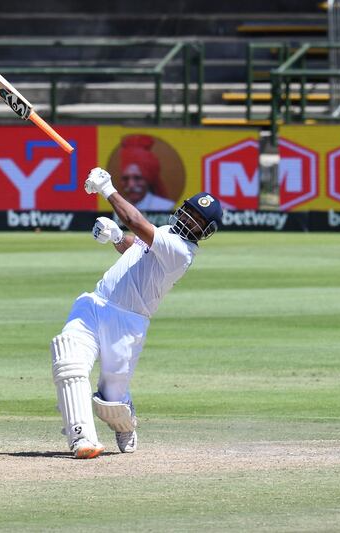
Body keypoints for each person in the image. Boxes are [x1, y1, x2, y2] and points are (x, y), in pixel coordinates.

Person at [50, 167, 223, 459]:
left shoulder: (182, 251)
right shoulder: (166, 233)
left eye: (197, 220)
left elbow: (135, 221)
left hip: (128, 323)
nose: (189, 219)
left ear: (203, 231)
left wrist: (107, 189)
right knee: (69, 362)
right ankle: (82, 440)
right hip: (95, 304)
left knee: (111, 402)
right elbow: (137, 245)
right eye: (189, 212)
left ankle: (125, 420)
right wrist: (117, 237)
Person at [117, 135, 175, 210]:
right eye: (125, 178)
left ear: (148, 180)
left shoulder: (166, 207)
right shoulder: (117, 208)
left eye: (137, 178)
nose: (131, 185)